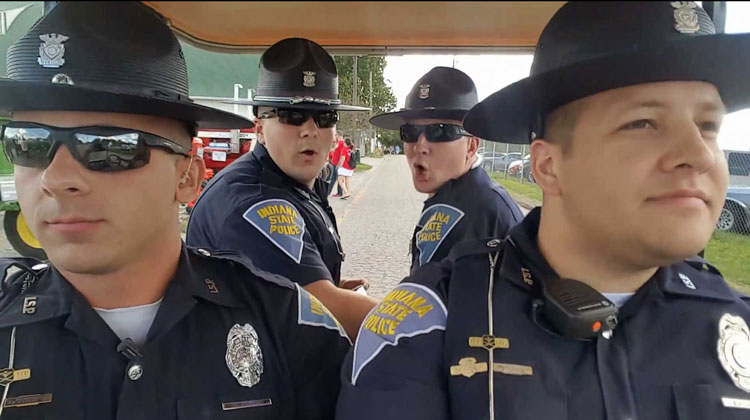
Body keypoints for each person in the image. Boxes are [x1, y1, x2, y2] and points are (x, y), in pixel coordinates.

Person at [336, 2, 750, 419]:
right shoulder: (424, 331)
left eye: (708, 126)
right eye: (643, 123)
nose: (697, 153)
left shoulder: (738, 325)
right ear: (548, 166)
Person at [0, 3, 351, 419]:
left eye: (109, 146)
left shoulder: (290, 328)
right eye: (28, 142)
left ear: (187, 176)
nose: (55, 178)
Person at [187, 38, 378, 340]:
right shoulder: (254, 199)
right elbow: (325, 310)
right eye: (293, 115)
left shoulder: (292, 182)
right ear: (259, 127)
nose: (311, 130)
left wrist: (325, 281)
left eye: (325, 117)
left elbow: (279, 290)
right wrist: (418, 323)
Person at [368, 66, 523, 274]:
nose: (419, 146)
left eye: (440, 132)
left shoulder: (481, 211)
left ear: (471, 146)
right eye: (411, 132)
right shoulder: (460, 195)